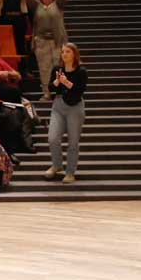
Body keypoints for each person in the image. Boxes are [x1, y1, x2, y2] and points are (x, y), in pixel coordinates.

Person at [45, 42, 88, 184]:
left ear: (74, 54)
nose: (64, 54)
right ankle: (57, 165)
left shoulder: (81, 71)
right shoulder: (57, 69)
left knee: (73, 141)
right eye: (63, 52)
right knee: (52, 138)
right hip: (58, 105)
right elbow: (51, 87)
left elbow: (80, 90)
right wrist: (57, 82)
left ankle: (70, 172)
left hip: (75, 107)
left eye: (68, 52)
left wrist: (66, 82)